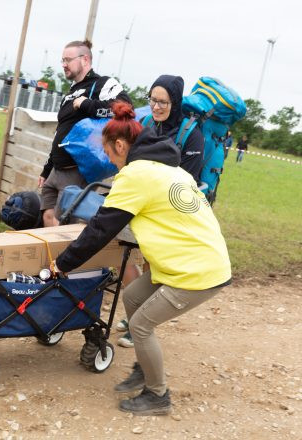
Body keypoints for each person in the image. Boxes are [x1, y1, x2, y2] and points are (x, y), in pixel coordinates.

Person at [52, 102, 231, 415]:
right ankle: (146, 366)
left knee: (142, 326)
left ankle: (157, 394)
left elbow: (99, 229)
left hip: (197, 271)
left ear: (120, 145)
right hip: (192, 260)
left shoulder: (135, 176)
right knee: (133, 294)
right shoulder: (168, 168)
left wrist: (62, 264)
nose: (110, 162)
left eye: (108, 154)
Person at [117, 74, 205, 349]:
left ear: (175, 102)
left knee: (153, 265)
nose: (156, 107)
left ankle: (141, 322)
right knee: (123, 257)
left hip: (169, 213)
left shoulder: (191, 136)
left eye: (163, 102)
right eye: (152, 100)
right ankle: (136, 314)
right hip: (142, 205)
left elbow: (186, 183)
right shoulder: (145, 126)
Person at [38, 39, 131, 227]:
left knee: (65, 224)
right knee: (48, 216)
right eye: (62, 60)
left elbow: (125, 108)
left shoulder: (102, 83)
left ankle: (62, 257)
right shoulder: (71, 92)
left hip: (78, 170)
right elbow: (60, 131)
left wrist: (86, 104)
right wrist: (47, 169)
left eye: (68, 60)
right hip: (57, 168)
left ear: (85, 59)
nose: (64, 65)